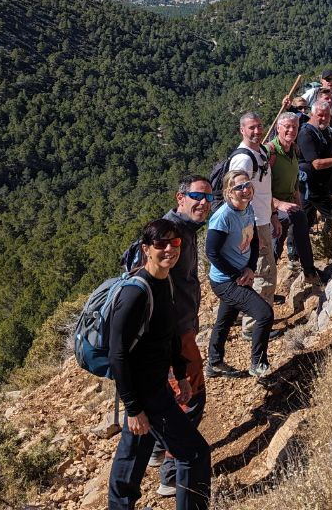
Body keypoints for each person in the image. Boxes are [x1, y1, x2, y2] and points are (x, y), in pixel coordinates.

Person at [108, 218, 212, 510]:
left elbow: (171, 336)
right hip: (146, 391)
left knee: (133, 455)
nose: (169, 249)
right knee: (194, 454)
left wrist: (181, 375)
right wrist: (133, 408)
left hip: (157, 384)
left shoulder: (165, 282)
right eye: (160, 244)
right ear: (146, 249)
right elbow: (118, 355)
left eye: (174, 242)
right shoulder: (135, 293)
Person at [149, 175, 213, 497]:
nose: (204, 203)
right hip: (175, 332)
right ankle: (171, 476)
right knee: (191, 398)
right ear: (180, 197)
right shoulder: (171, 234)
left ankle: (157, 449)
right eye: (197, 196)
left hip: (176, 328)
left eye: (208, 197)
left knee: (170, 393)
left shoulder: (184, 229)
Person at [205, 169, 273, 378]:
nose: (245, 190)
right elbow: (212, 253)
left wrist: (250, 267)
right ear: (228, 192)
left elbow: (254, 241)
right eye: (239, 187)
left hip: (240, 274)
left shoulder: (248, 208)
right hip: (225, 280)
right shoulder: (223, 217)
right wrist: (237, 275)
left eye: (247, 184)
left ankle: (214, 363)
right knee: (264, 314)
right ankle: (258, 364)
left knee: (225, 320)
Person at [227, 113, 281, 341]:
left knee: (255, 272)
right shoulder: (244, 160)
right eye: (251, 128)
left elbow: (264, 191)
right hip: (254, 225)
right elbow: (236, 196)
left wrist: (274, 214)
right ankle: (255, 326)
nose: (257, 131)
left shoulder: (259, 153)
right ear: (242, 130)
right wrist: (248, 227)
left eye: (259, 126)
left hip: (262, 219)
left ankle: (247, 316)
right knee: (263, 274)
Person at [267, 111, 323, 283]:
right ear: (278, 128)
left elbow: (295, 183)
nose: (291, 130)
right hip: (270, 206)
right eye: (287, 126)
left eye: (295, 127)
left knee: (300, 221)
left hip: (288, 204)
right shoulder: (270, 151)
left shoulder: (294, 149)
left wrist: (298, 204)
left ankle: (309, 272)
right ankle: (265, 285)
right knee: (275, 243)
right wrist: (277, 205)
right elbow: (259, 187)